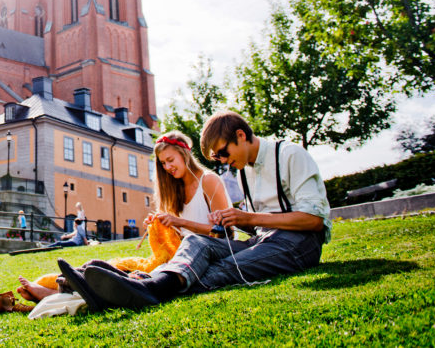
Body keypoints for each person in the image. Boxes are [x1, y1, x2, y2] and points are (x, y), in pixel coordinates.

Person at [58, 111, 331, 313]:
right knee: (195, 242)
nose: (222, 162)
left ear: (240, 135)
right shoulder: (246, 169)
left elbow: (315, 221)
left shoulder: (290, 155)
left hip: (299, 244)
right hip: (263, 240)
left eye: (223, 153)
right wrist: (235, 218)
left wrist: (246, 217)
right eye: (216, 158)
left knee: (222, 269)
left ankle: (135, 287)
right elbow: (256, 225)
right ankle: (135, 286)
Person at [18, 132, 229, 302]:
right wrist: (163, 225)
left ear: (185, 154)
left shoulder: (209, 181)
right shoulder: (176, 190)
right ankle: (65, 282)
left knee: (133, 277)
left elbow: (225, 233)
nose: (167, 167)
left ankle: (58, 293)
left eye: (170, 160)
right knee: (116, 266)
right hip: (182, 254)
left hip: (208, 254)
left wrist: (178, 221)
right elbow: (180, 236)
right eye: (163, 164)